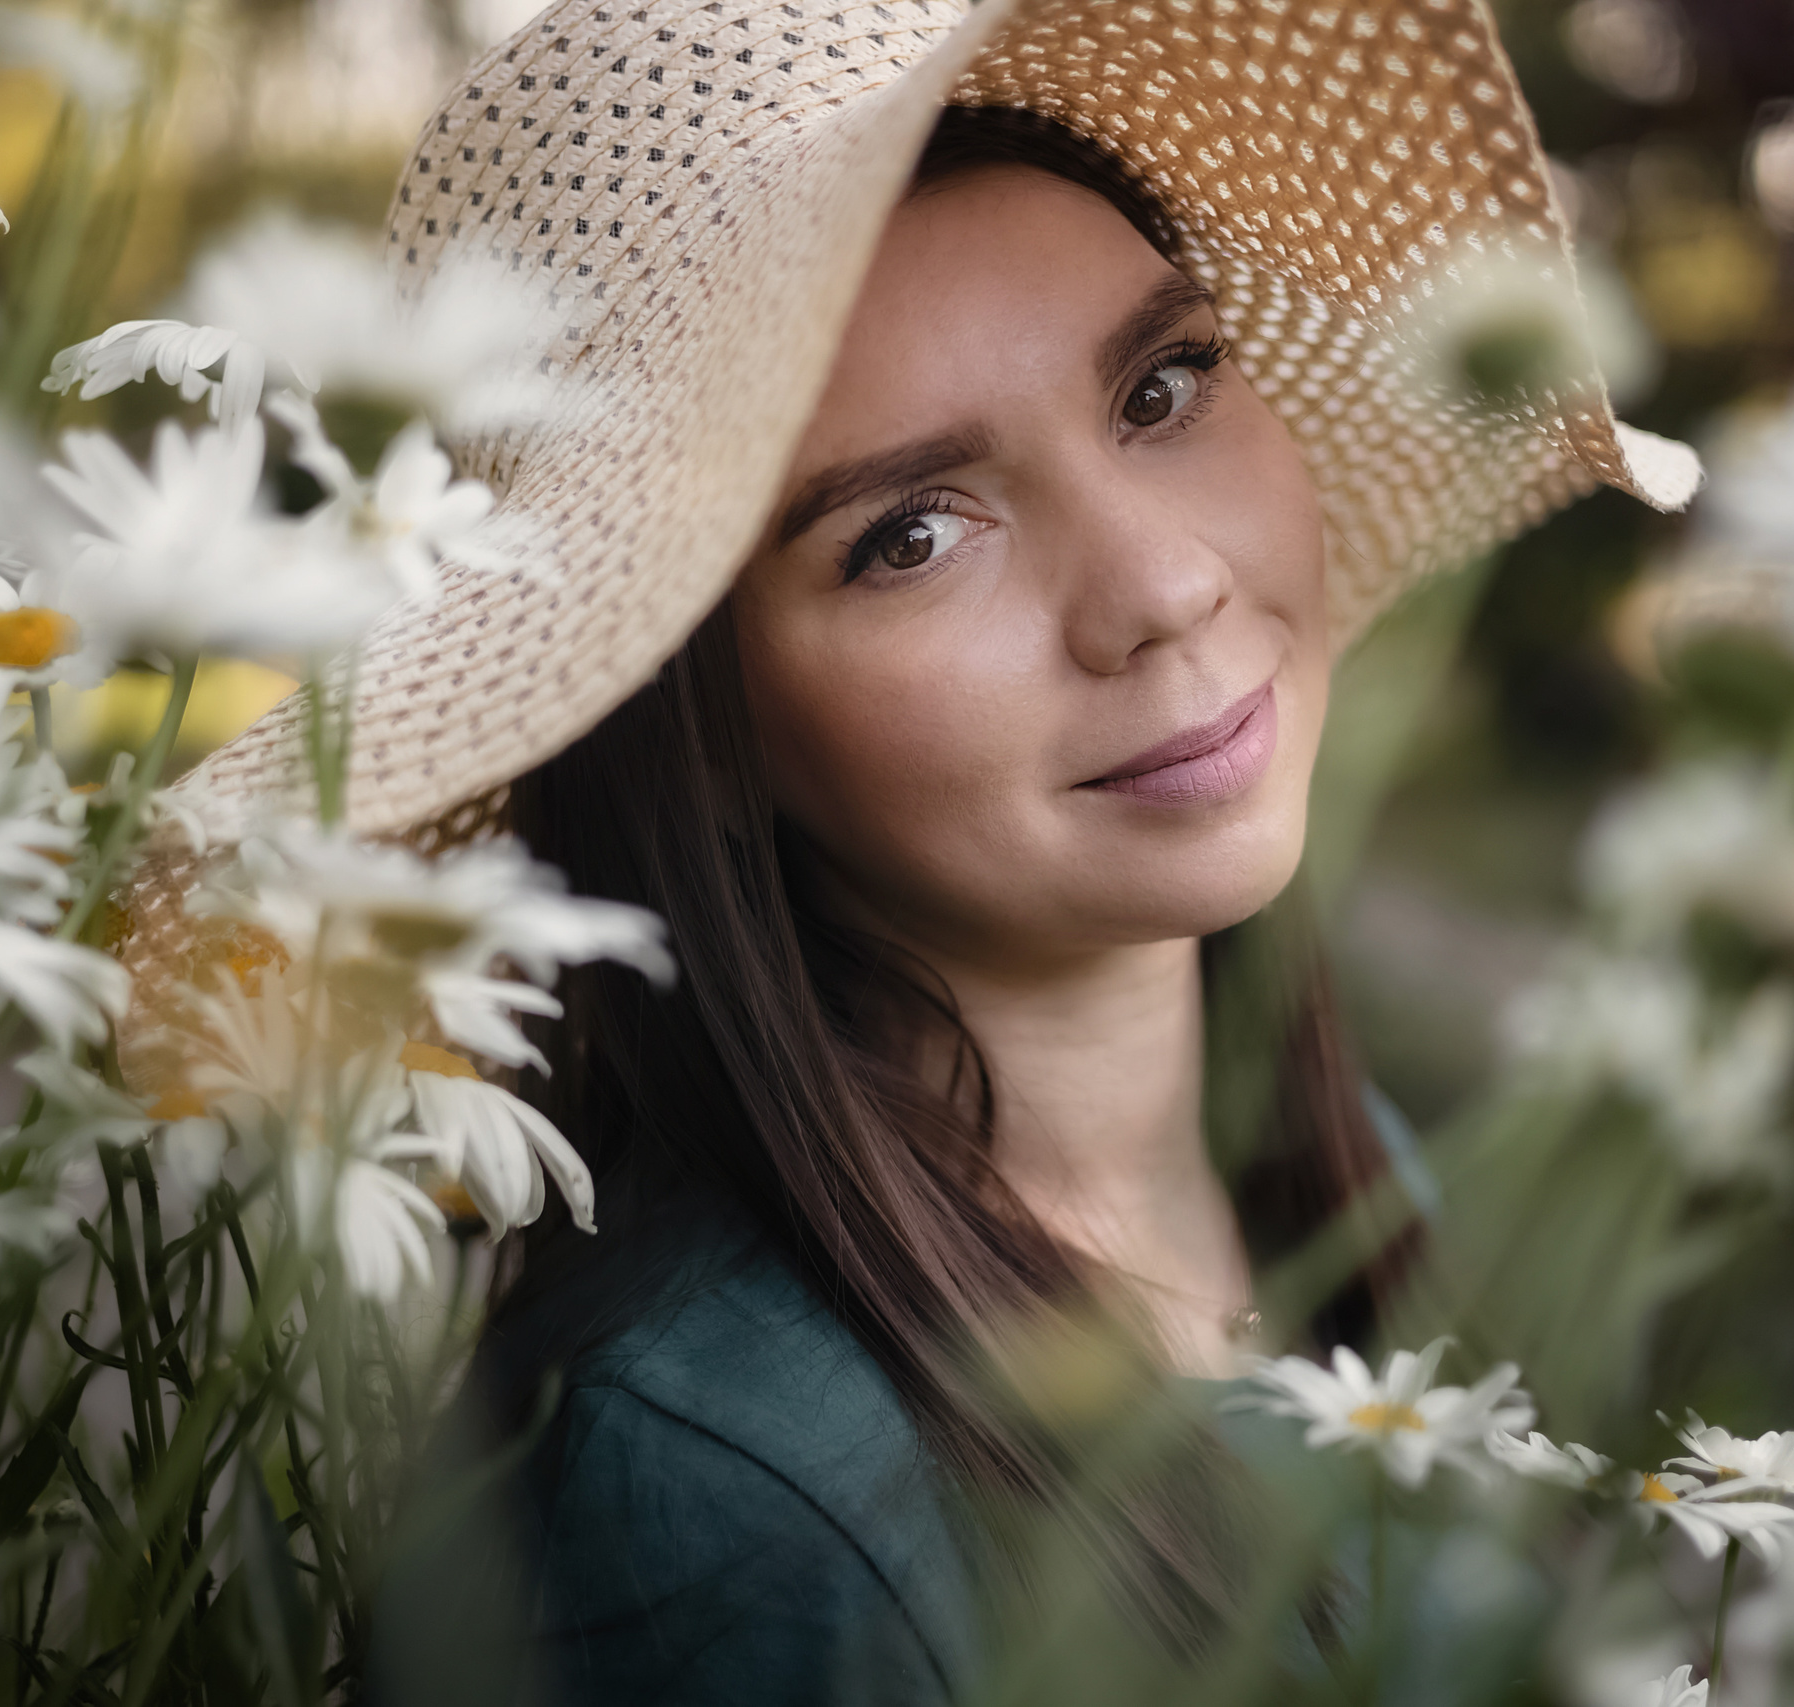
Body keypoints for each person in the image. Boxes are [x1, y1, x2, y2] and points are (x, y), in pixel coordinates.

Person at [154, 0, 1698, 1699]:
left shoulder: (1341, 1181)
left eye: (1163, 384)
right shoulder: (734, 1489)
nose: (1162, 587)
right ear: (698, 734)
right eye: (910, 534)